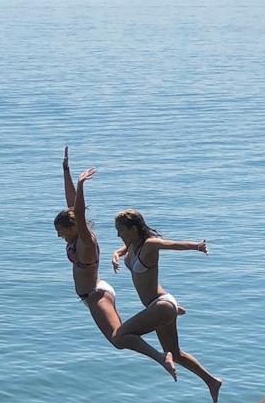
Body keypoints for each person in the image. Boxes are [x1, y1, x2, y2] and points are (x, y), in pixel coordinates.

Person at [54, 149, 176, 378]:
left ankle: (163, 357)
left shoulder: (85, 242)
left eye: (60, 231)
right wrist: (66, 171)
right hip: (94, 292)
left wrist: (81, 186)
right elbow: (72, 207)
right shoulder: (77, 237)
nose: (58, 235)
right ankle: (164, 338)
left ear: (72, 228)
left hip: (95, 294)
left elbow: (78, 212)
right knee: (119, 338)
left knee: (118, 339)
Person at [111, 209, 223, 403]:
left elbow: (172, 244)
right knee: (176, 354)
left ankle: (161, 357)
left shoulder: (150, 244)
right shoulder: (133, 244)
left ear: (134, 229)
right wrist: (116, 254)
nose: (118, 234)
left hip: (161, 305)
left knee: (120, 336)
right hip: (161, 304)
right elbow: (123, 248)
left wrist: (197, 246)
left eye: (120, 230)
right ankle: (212, 381)